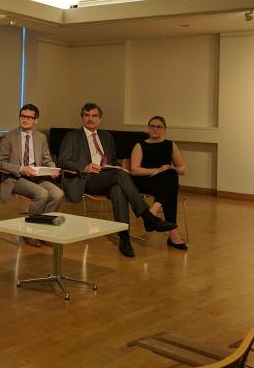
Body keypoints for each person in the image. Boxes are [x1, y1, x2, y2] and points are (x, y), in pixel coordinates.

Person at [58, 102, 176, 258]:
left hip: (107, 176)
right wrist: (84, 167)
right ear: (82, 118)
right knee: (119, 176)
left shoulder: (106, 137)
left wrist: (121, 169)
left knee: (118, 189)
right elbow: (62, 161)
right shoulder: (72, 136)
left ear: (100, 119)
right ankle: (148, 217)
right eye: (87, 115)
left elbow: (112, 162)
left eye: (94, 116)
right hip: (86, 178)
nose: (90, 119)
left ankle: (124, 238)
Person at [0, 103, 63, 247]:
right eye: (22, 116)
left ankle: (44, 231)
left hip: (36, 176)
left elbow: (47, 159)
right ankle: (29, 232)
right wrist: (21, 169)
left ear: (36, 120)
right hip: (16, 178)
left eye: (29, 117)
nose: (25, 119)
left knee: (58, 194)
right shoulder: (9, 137)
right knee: (42, 194)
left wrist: (52, 169)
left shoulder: (41, 137)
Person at [130, 115, 188, 250]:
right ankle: (172, 235)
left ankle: (150, 215)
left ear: (164, 129)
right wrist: (158, 170)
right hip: (144, 180)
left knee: (171, 176)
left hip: (163, 182)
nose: (155, 129)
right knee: (170, 186)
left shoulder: (170, 145)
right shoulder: (140, 145)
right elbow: (134, 170)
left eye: (158, 126)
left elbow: (182, 166)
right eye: (152, 126)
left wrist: (177, 169)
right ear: (148, 128)